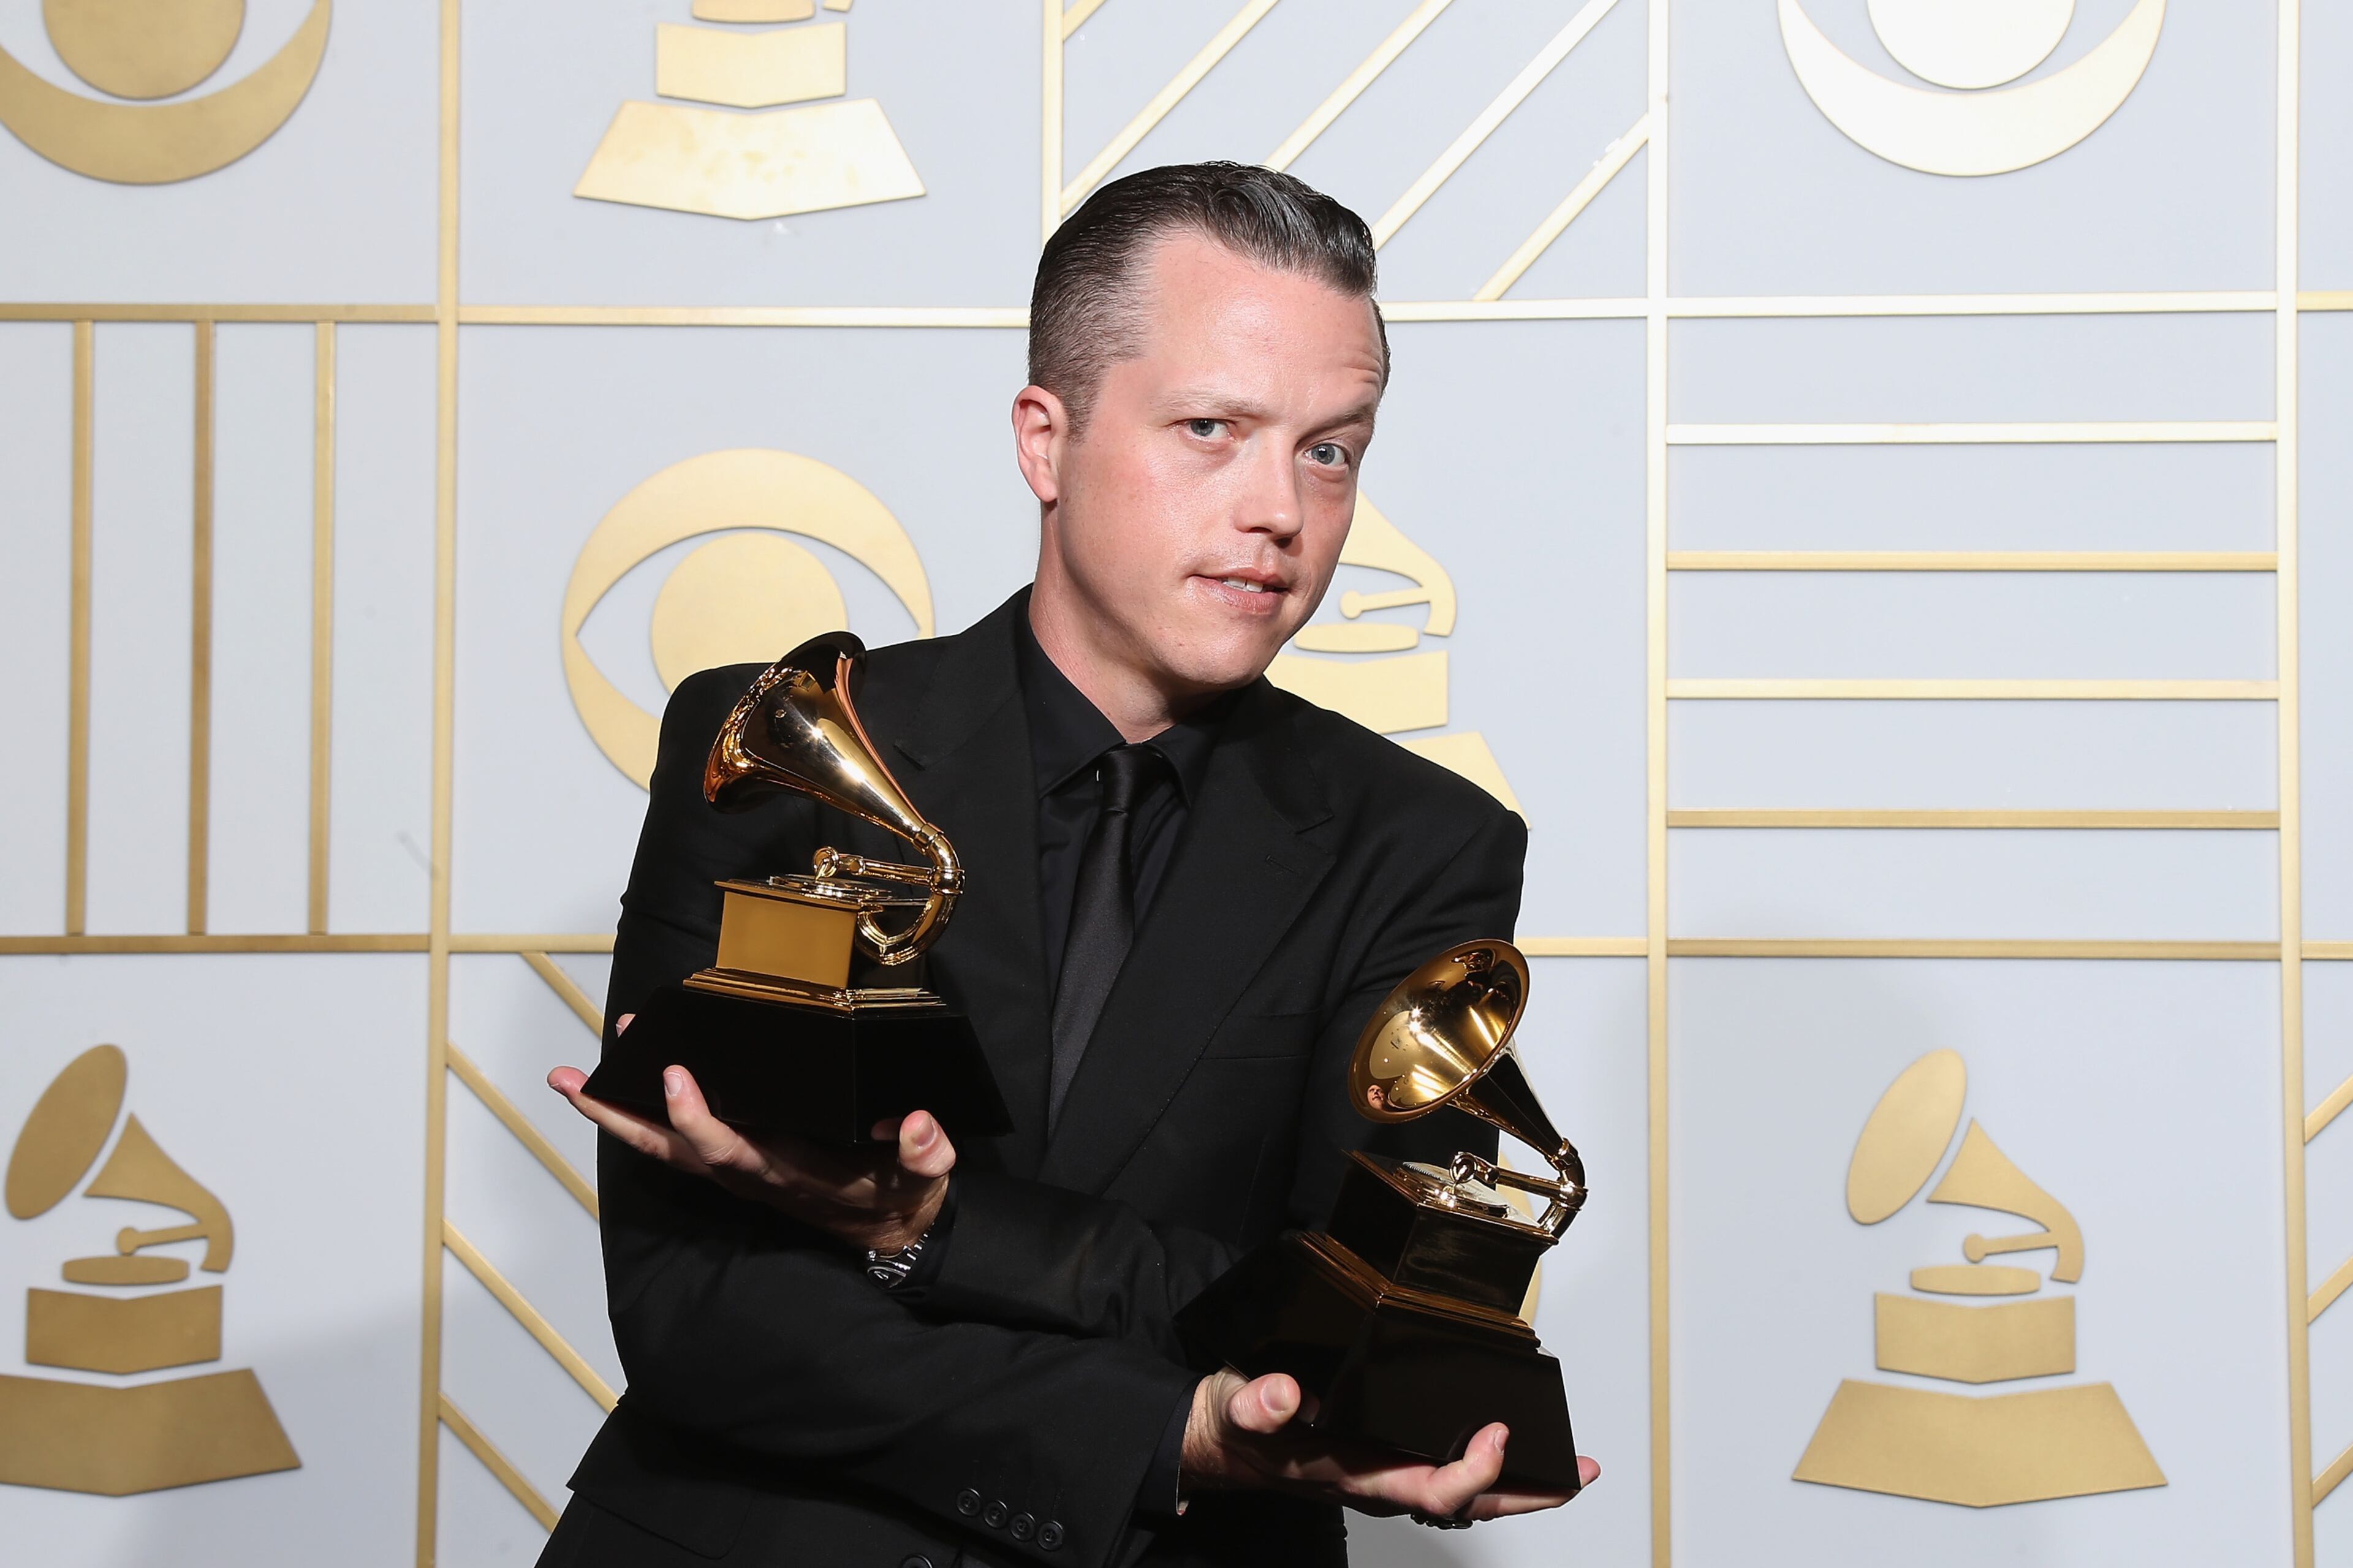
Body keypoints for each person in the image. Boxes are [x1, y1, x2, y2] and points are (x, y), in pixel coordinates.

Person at [541, 161, 1597, 1568]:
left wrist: (925, 1223)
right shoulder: (782, 742)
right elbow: (701, 1302)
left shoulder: (1424, 844)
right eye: (1212, 429)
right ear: (1047, 439)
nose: (1280, 510)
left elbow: (1334, 1308)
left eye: (1330, 448)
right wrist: (1165, 1429)